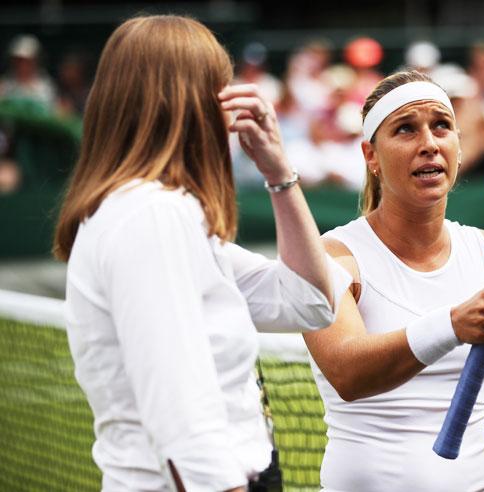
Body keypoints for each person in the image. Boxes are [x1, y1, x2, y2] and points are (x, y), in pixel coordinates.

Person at [52, 15, 350, 492]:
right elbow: (182, 419)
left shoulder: (165, 214)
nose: (228, 105)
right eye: (219, 87)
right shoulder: (150, 216)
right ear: (187, 102)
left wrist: (278, 171)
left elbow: (311, 301)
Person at [303, 70, 484, 491]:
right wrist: (453, 325)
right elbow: (347, 373)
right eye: (405, 129)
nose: (429, 144)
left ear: (458, 149)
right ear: (371, 156)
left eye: (441, 126)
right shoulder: (333, 257)